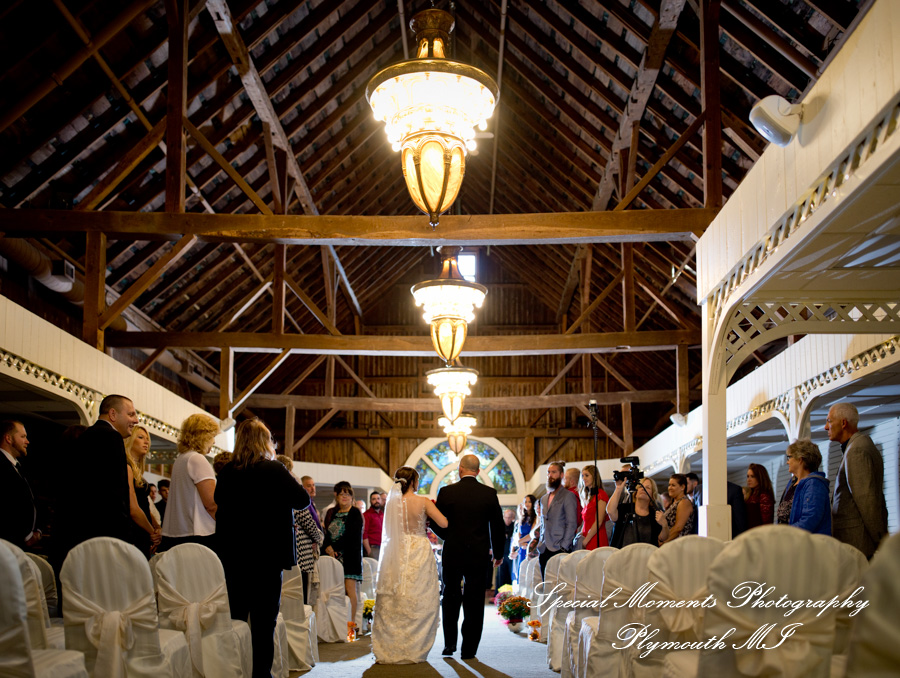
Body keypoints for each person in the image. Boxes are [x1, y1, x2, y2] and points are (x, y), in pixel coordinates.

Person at [216, 418, 310, 678]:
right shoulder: (274, 470)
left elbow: (217, 502)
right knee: (263, 623)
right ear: (263, 442)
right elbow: (302, 500)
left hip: (234, 556)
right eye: (270, 439)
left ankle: (234, 670)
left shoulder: (226, 472)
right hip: (267, 557)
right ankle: (260, 675)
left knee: (236, 618)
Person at [431, 453, 505, 660]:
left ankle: (449, 644)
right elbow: (497, 526)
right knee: (474, 601)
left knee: (450, 597)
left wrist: (449, 537)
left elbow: (436, 522)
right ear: (478, 471)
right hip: (478, 555)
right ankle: (469, 650)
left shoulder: (446, 492)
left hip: (453, 553)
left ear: (460, 469)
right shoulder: (489, 493)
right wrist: (498, 553)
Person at [372, 466, 448, 664]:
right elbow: (444, 523)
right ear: (414, 481)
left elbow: (388, 530)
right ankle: (415, 646)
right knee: (419, 595)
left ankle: (391, 645)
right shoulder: (422, 501)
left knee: (395, 596)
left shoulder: (391, 503)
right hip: (418, 549)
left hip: (395, 551)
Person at [56, 394, 138, 559]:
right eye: (131, 414)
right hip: (104, 532)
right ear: (113, 414)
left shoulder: (86, 436)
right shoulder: (111, 437)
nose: (136, 420)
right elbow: (116, 491)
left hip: (78, 530)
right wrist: (123, 535)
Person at [826, 402, 888, 558]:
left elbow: (866, 499)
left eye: (829, 421)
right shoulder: (855, 447)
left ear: (843, 423)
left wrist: (880, 540)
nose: (826, 427)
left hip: (858, 542)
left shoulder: (857, 450)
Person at [161, 413, 219, 551]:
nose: (214, 442)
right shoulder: (197, 459)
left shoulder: (182, 459)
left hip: (176, 533)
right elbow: (211, 504)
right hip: (196, 533)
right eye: (212, 437)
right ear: (203, 436)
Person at [275, 455, 323, 604]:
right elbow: (307, 521)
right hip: (300, 554)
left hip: (285, 552)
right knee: (300, 600)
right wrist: (319, 538)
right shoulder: (291, 492)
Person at [323, 481, 364, 641]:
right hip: (333, 557)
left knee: (350, 591)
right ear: (337, 497)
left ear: (352, 497)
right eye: (341, 494)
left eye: (347, 494)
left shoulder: (355, 513)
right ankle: (336, 629)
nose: (344, 497)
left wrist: (335, 548)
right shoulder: (333, 512)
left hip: (350, 557)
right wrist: (327, 546)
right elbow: (326, 532)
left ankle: (351, 629)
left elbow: (352, 536)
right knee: (336, 592)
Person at [0, 420, 41, 550]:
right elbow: (8, 505)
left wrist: (37, 530)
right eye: (23, 437)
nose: (27, 441)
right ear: (8, 438)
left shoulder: (19, 467)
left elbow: (32, 501)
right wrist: (26, 535)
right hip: (7, 544)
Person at [124, 424, 161, 558]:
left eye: (147, 439)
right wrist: (152, 532)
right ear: (130, 440)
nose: (146, 442)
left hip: (144, 531)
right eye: (140, 437)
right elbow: (134, 509)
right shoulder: (126, 467)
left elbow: (144, 505)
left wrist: (157, 528)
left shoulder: (138, 472)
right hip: (134, 532)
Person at [536, 461, 579, 576]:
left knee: (559, 585)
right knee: (546, 585)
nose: (550, 475)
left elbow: (572, 523)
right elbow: (543, 522)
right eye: (548, 472)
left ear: (561, 475)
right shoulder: (544, 498)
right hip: (544, 548)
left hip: (559, 547)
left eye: (554, 472)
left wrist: (564, 546)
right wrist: (540, 541)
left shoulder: (568, 495)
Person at [785, 439, 832, 535]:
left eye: (789, 457)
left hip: (807, 544)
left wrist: (786, 533)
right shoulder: (792, 482)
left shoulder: (814, 484)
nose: (787, 462)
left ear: (800, 459)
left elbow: (810, 519)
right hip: (792, 541)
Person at [608, 475, 668, 548]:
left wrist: (664, 525)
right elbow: (610, 511)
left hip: (646, 556)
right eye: (640, 486)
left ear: (652, 495)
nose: (643, 489)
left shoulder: (654, 514)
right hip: (623, 556)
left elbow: (663, 538)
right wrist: (618, 488)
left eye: (648, 488)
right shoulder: (625, 508)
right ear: (636, 492)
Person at [579, 465, 609, 550]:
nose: (583, 478)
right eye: (582, 476)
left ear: (594, 477)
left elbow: (599, 521)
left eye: (587, 475)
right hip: (586, 537)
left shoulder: (601, 494)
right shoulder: (588, 496)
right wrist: (580, 534)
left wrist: (586, 541)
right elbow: (586, 522)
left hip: (595, 537)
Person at [661, 474, 694, 545]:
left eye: (673, 485)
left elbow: (678, 528)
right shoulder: (674, 502)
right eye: (669, 485)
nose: (670, 488)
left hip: (679, 546)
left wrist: (664, 543)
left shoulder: (684, 502)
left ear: (682, 487)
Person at [510, 494, 537, 579]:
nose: (527, 504)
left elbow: (532, 534)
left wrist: (520, 542)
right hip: (522, 546)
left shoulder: (535, 517)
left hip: (529, 546)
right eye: (525, 502)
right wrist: (519, 543)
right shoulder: (522, 518)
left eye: (529, 502)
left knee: (529, 574)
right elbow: (518, 533)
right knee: (520, 572)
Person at [745, 463, 775, 529]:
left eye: (752, 476)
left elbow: (766, 523)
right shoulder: (751, 495)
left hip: (758, 534)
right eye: (748, 476)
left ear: (760, 477)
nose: (749, 480)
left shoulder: (764, 496)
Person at [494, 509, 516, 591]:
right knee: (500, 575)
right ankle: (498, 594)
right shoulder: (500, 526)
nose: (507, 519)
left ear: (512, 518)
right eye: (506, 517)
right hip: (502, 554)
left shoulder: (515, 526)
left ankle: (511, 594)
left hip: (511, 554)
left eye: (509, 517)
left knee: (511, 574)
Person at [363, 490, 384, 560]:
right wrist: (369, 550)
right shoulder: (366, 515)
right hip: (373, 548)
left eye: (378, 498)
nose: (376, 501)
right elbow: (364, 533)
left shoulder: (383, 515)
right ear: (370, 501)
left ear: (381, 500)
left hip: (383, 548)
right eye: (374, 499)